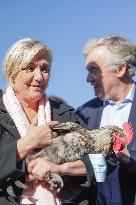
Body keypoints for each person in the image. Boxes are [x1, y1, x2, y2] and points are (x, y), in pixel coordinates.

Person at [0, 38, 93, 205]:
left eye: (45, 69)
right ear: (12, 74)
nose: (39, 77)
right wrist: (28, 142)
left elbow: (101, 159)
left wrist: (60, 168)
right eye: (29, 68)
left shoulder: (64, 113)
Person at [76, 35, 136, 205]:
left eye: (94, 70)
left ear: (120, 69)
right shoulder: (83, 114)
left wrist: (129, 158)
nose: (88, 79)